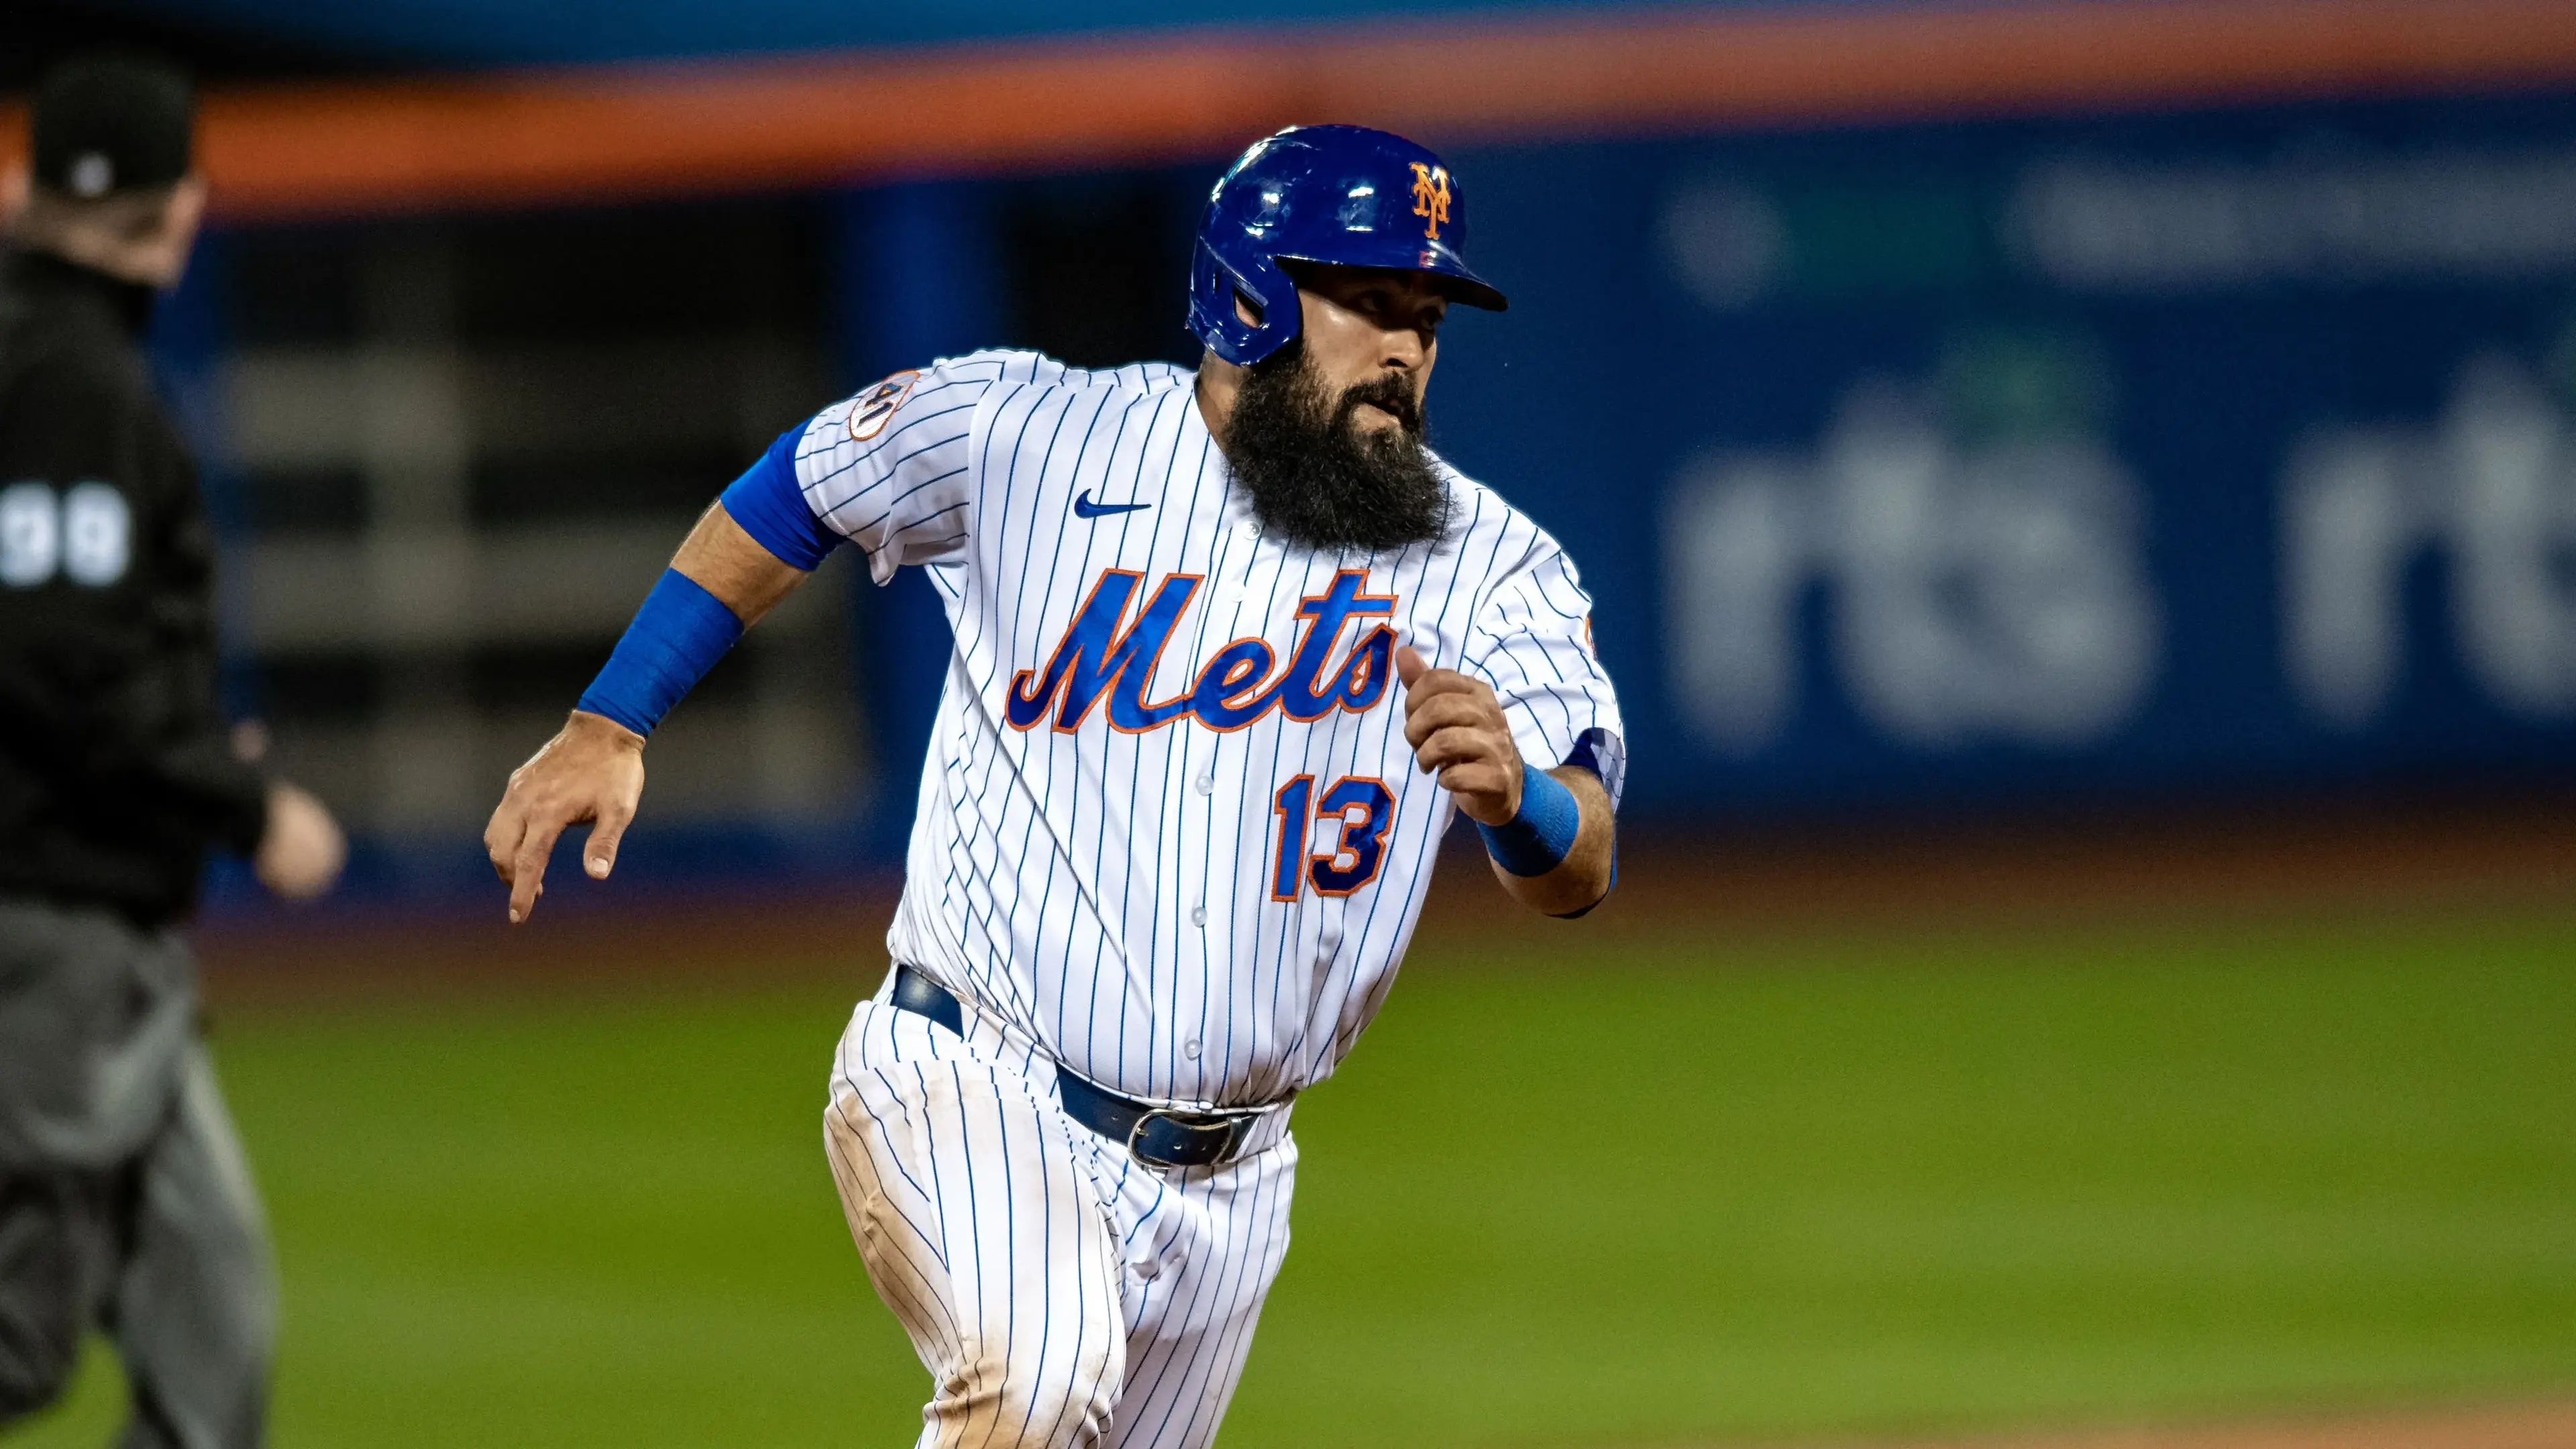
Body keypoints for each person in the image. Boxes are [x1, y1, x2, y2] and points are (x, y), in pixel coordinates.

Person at [485, 123, 1621, 1447]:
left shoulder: (1495, 565)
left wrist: (1518, 804)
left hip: (1236, 1186)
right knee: (1032, 1381)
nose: (1406, 347)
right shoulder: (1031, 432)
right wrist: (613, 716)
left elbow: (1581, 863)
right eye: (1369, 301)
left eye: (1426, 315)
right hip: (974, 1074)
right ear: (1251, 291)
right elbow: (805, 484)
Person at [0, 54, 344, 1448]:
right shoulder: (73, 386)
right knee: (15, 1341)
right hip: (50, 921)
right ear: (182, 211)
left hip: (105, 927)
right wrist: (243, 802)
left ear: (24, 193)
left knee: (212, 1326)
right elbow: (49, 663)